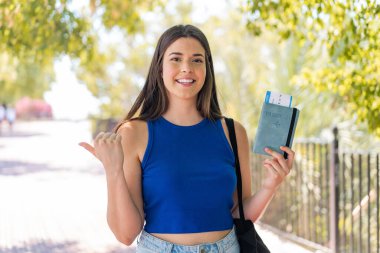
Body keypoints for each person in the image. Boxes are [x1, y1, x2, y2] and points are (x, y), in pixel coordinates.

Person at [79, 24, 295, 253]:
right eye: (176, 59)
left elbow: (240, 215)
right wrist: (113, 171)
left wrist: (271, 185)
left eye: (196, 60)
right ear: (159, 67)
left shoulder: (233, 132)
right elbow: (126, 234)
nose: (186, 68)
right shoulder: (134, 133)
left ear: (207, 68)